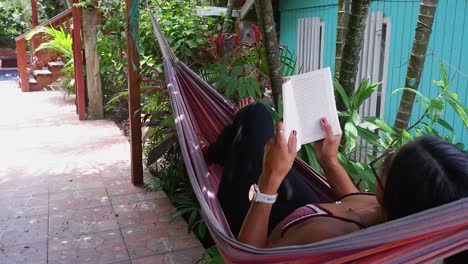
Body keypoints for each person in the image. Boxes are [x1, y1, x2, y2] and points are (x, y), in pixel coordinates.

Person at [200, 97, 468, 253]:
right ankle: (224, 147)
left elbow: (252, 257)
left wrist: (269, 181)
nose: (387, 154)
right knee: (255, 132)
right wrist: (328, 159)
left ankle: (213, 151)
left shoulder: (325, 238)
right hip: (298, 209)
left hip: (252, 220)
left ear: (392, 194)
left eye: (388, 161)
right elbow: (351, 200)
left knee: (254, 114)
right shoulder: (394, 213)